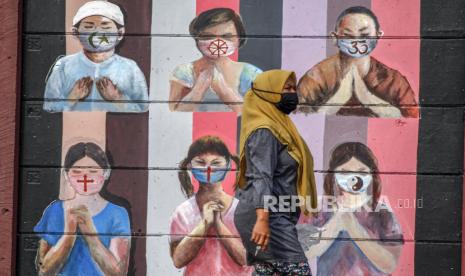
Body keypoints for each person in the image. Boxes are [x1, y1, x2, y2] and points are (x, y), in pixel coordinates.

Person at [234, 70, 318, 275]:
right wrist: (262, 220)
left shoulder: (280, 127)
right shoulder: (264, 130)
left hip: (277, 215)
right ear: (267, 92)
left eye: (293, 88)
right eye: (286, 89)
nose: (292, 94)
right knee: (298, 271)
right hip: (267, 217)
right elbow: (261, 176)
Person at [302, 142, 404, 275]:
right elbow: (304, 252)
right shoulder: (321, 210)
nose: (354, 178)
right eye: (345, 172)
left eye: (361, 172)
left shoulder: (382, 213)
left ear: (371, 174)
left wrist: (354, 228)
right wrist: (335, 224)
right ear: (334, 176)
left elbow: (390, 265)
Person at [297, 6, 418, 118]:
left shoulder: (393, 80)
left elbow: (413, 119)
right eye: (348, 36)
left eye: (364, 35)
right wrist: (336, 101)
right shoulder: (317, 76)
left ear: (378, 35)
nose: (357, 41)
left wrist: (370, 99)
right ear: (335, 37)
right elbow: (297, 117)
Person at [34, 142, 131, 275]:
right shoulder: (54, 211)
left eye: (93, 171)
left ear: (106, 173)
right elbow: (44, 270)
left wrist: (90, 233)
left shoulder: (117, 213)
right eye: (77, 171)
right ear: (67, 175)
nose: (85, 177)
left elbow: (118, 273)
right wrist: (69, 234)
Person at [169, 136, 253, 275]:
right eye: (201, 162)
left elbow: (246, 259)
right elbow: (178, 260)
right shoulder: (182, 213)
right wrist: (205, 224)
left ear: (228, 166)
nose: (208, 169)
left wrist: (219, 225)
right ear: (190, 165)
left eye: (216, 163)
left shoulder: (242, 210)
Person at [43, 1, 148, 112]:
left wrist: (117, 98)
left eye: (105, 27)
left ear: (120, 33)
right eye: (89, 26)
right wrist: (72, 98)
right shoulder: (64, 65)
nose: (97, 33)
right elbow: (49, 107)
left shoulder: (130, 67)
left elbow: (143, 108)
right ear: (75, 33)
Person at [169, 8, 262, 113]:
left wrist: (224, 92)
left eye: (227, 36)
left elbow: (258, 114)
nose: (217, 42)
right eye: (208, 36)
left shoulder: (251, 74)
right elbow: (173, 112)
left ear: (239, 38)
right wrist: (198, 91)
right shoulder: (184, 72)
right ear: (197, 38)